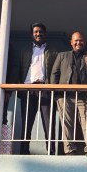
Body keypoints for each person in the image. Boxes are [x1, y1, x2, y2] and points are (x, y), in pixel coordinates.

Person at [49, 31, 87, 155]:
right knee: (66, 124)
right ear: (71, 42)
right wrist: (56, 94)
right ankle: (69, 150)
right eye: (76, 40)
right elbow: (54, 74)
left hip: (85, 96)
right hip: (65, 95)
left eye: (81, 40)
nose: (78, 42)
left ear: (84, 42)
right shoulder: (62, 56)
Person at [17, 22, 56, 155]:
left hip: (45, 89)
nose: (38, 34)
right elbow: (19, 69)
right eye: (36, 32)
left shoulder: (52, 51)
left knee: (49, 123)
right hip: (28, 89)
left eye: (41, 32)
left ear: (45, 34)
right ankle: (23, 151)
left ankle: (51, 152)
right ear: (32, 34)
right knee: (27, 123)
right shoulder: (25, 50)